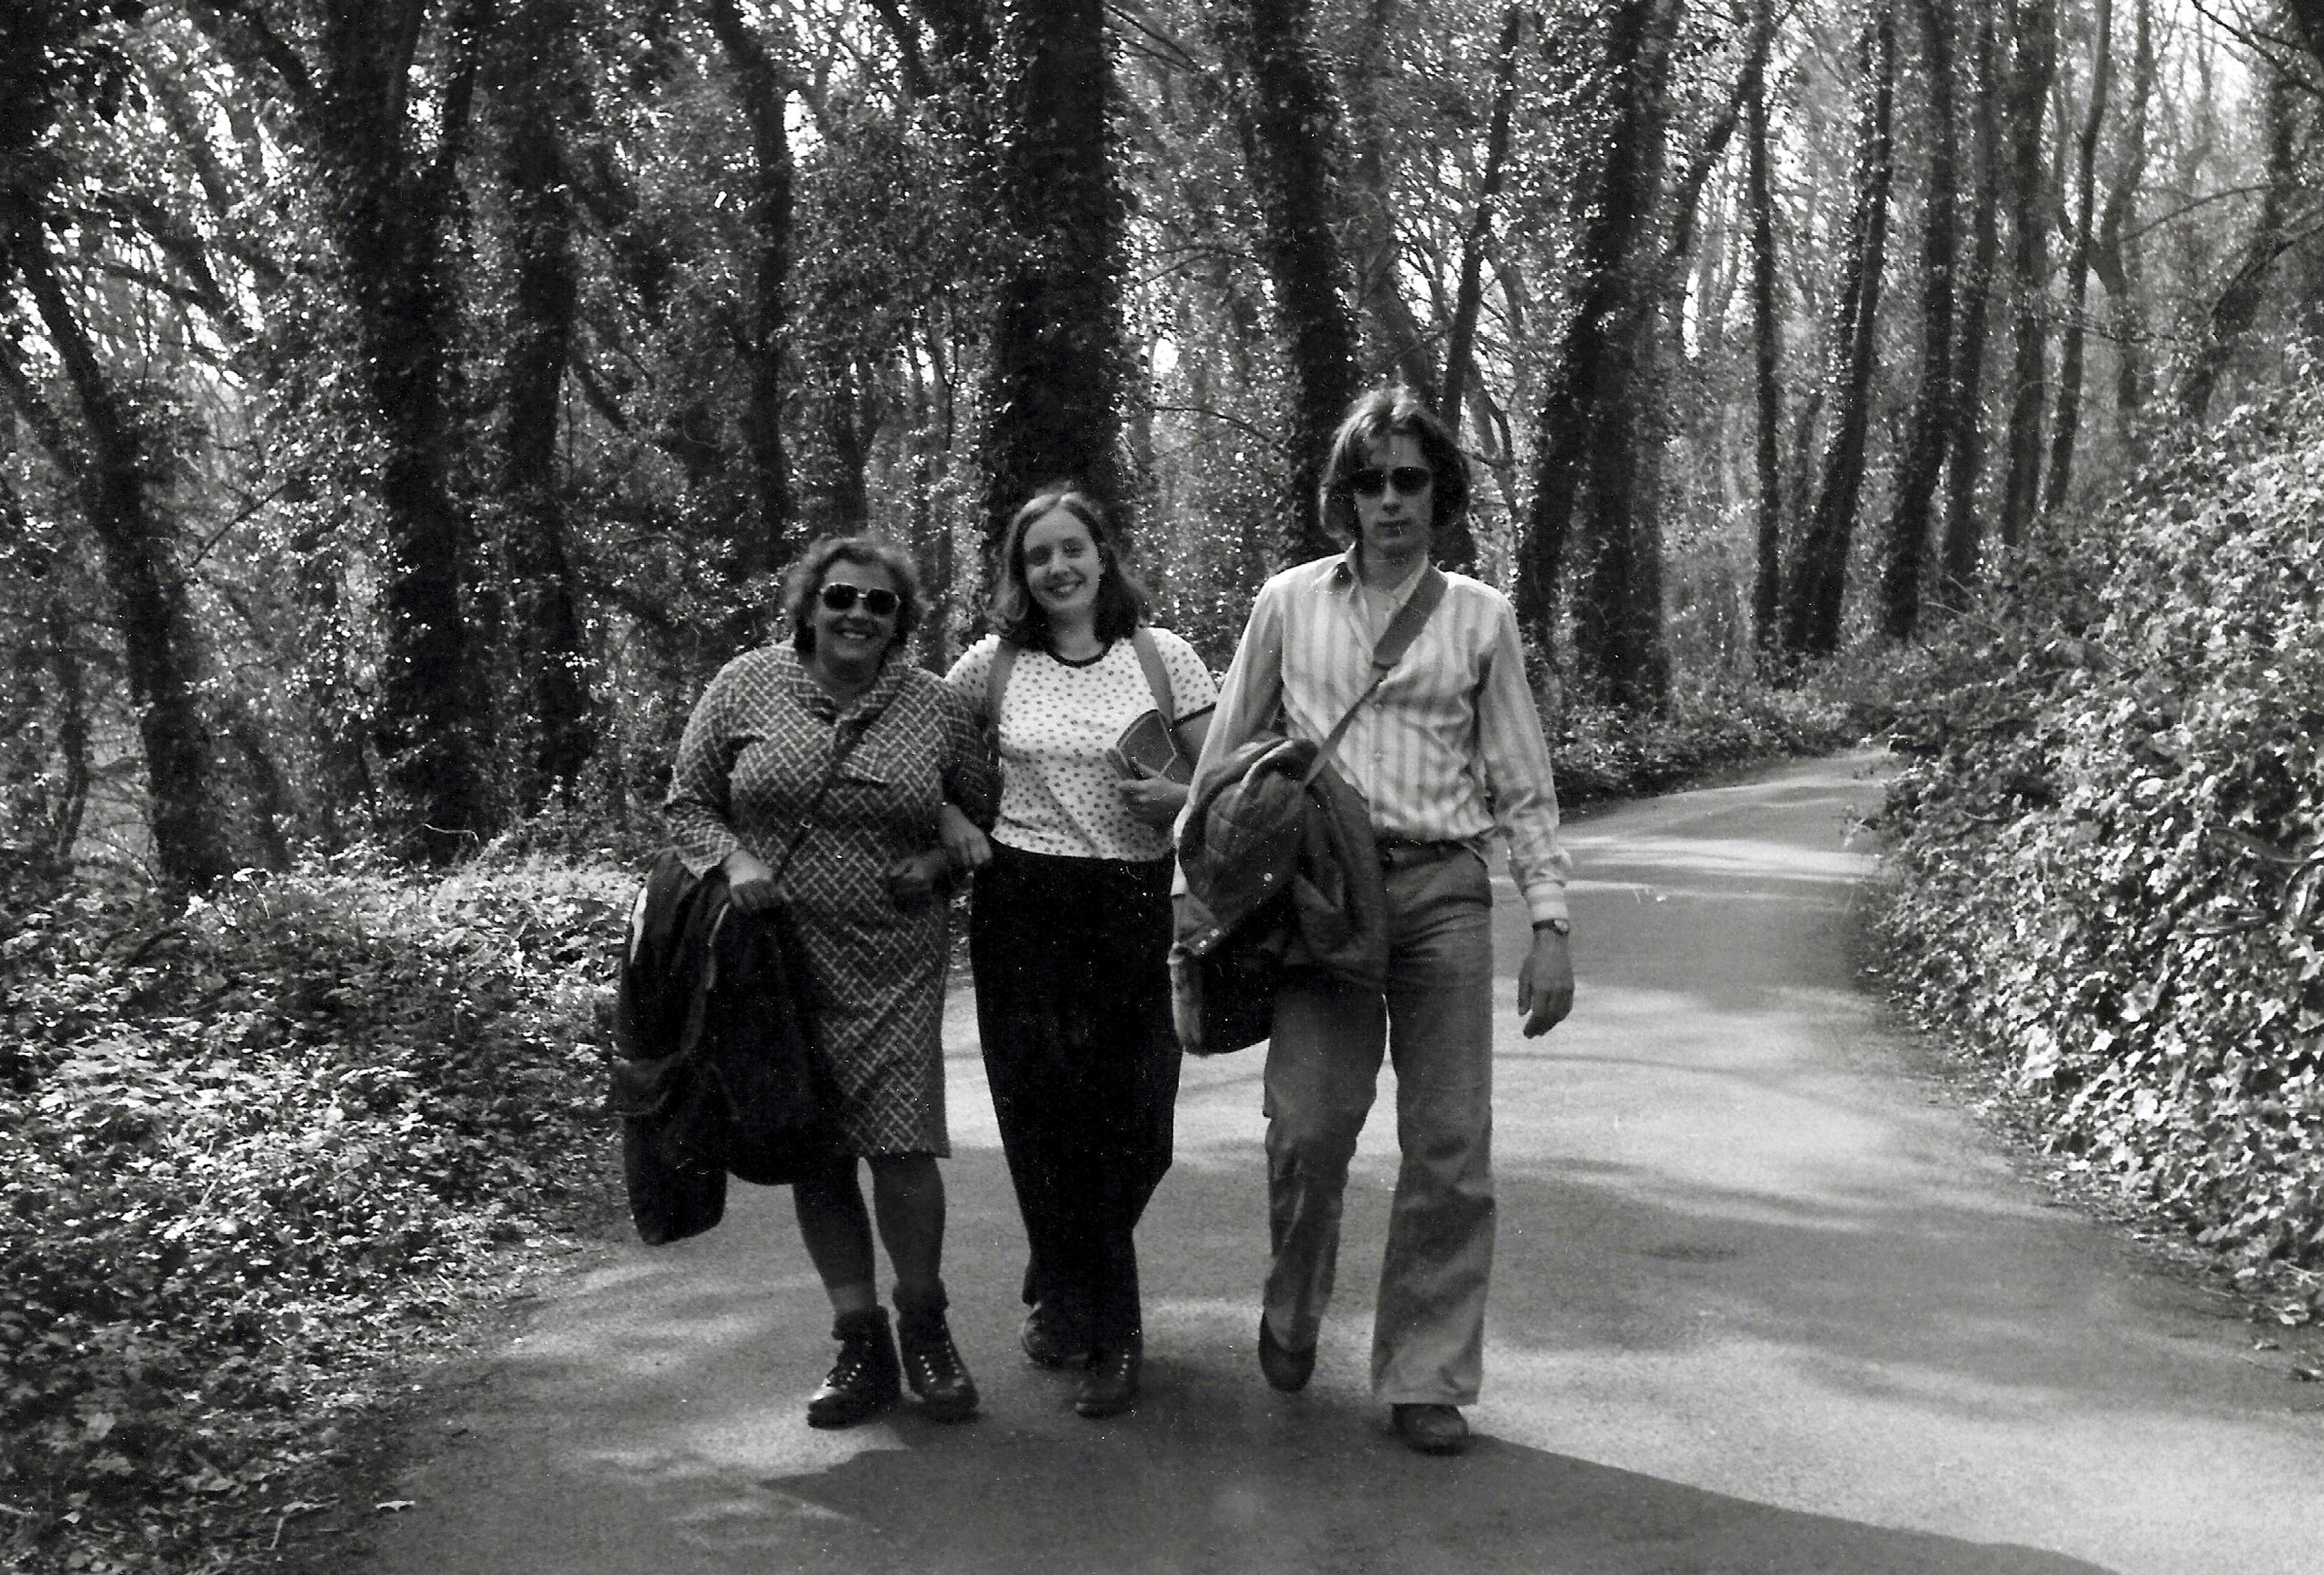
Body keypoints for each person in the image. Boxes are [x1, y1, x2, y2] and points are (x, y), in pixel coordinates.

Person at [1183, 387, 1575, 1456]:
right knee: (1307, 1126)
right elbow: (1226, 758)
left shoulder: (1479, 617)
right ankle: (1292, 1298)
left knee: (1448, 1146)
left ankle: (1425, 1372)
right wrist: (1197, 887)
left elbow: (1519, 782)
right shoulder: (1286, 603)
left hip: (1442, 890)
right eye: (1370, 479)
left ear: (1439, 493)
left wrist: (1548, 922)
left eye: (1409, 478)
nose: (1390, 499)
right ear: (1343, 496)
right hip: (1319, 899)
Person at [664, 535, 996, 1429]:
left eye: (879, 604)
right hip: (775, 964)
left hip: (893, 954)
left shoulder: (931, 706)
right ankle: (859, 1340)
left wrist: (938, 859)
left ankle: (926, 1329)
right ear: (809, 605)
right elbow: (687, 802)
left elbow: (981, 807)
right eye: (842, 597)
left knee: (901, 1143)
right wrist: (733, 863)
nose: (858, 614)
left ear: (900, 623)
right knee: (814, 1144)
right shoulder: (744, 684)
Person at [943, 485, 1218, 1418]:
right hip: (1022, 903)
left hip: (1134, 904)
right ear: (1018, 575)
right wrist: (949, 819)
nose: (1057, 568)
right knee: (1042, 1118)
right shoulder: (990, 665)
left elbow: (1223, 784)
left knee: (1138, 1124)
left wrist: (1180, 804)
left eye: (1072, 548)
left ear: (1102, 555)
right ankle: (1113, 1332)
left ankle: (1063, 1266)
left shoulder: (1162, 656)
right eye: (1036, 557)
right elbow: (920, 755)